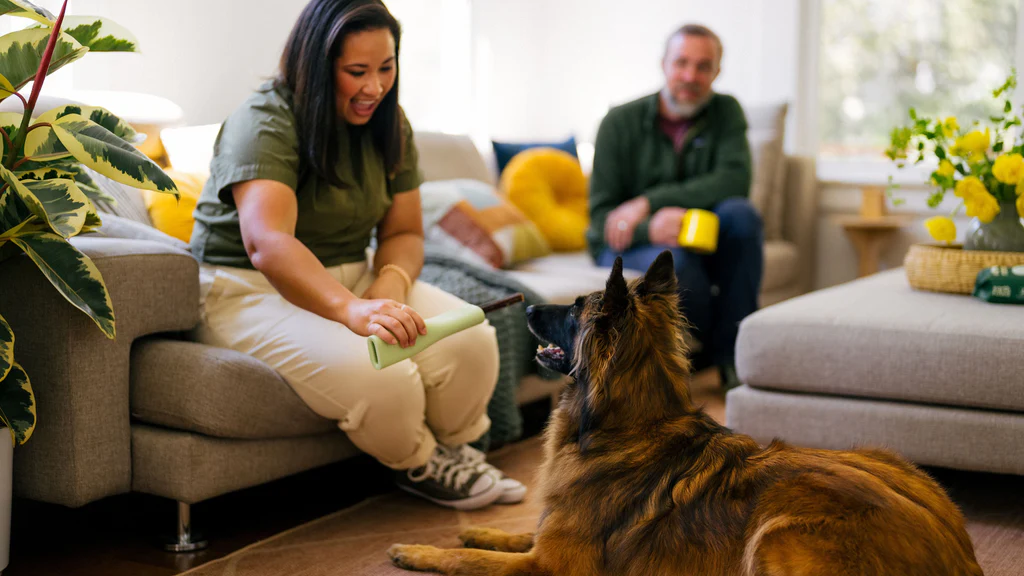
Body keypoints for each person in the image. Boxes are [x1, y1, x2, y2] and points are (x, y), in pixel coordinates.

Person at [189, 0, 525, 511]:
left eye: (386, 68)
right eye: (357, 71)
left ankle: (455, 451)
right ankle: (421, 462)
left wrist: (389, 282)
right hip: (248, 290)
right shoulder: (262, 121)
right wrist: (351, 309)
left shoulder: (391, 123)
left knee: (472, 339)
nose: (375, 87)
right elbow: (268, 244)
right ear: (317, 67)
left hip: (354, 272)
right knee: (384, 374)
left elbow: (405, 231)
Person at [586, 24, 763, 390]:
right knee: (675, 263)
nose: (690, 76)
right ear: (663, 64)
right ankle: (729, 348)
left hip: (701, 235)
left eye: (703, 66)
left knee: (742, 216)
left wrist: (649, 202)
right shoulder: (618, 123)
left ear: (717, 71)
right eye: (681, 63)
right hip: (629, 244)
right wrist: (648, 228)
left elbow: (735, 181)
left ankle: (733, 362)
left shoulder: (726, 111)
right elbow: (600, 219)